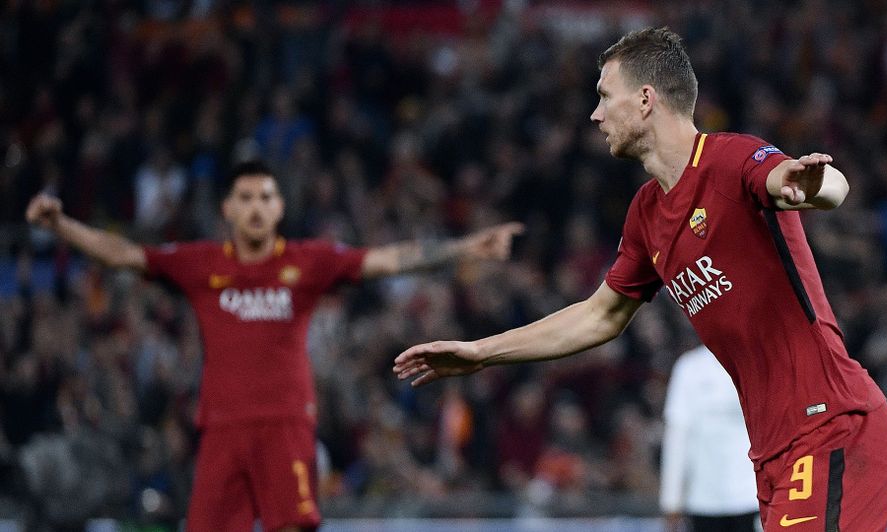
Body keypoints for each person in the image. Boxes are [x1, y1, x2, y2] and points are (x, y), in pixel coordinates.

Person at [393, 27, 887, 531]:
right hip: (772, 457)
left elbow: (815, 183)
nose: (594, 115)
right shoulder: (645, 214)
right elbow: (599, 315)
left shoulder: (728, 159)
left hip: (832, 427)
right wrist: (481, 353)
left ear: (644, 99)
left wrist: (811, 184)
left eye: (602, 97)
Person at [25, 160, 523, 532]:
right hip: (221, 426)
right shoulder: (201, 265)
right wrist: (61, 225)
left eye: (266, 197)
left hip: (285, 423)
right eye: (245, 197)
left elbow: (389, 260)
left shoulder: (306, 262)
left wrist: (464, 248)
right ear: (227, 208)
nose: (256, 207)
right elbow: (124, 254)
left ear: (280, 207)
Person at [660, 344, 758, 532]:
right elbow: (677, 437)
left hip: (751, 497)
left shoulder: (756, 362)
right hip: (704, 500)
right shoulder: (689, 368)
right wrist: (671, 501)